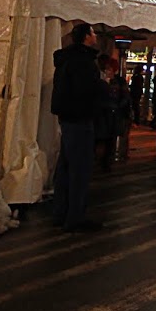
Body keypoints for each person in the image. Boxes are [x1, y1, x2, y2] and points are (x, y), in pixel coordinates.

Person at [51, 24, 104, 233]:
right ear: (85, 37)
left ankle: (60, 212)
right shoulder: (84, 62)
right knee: (79, 169)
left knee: (65, 167)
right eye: (93, 32)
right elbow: (86, 91)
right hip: (80, 118)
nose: (96, 35)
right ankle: (75, 217)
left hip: (67, 118)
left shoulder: (66, 59)